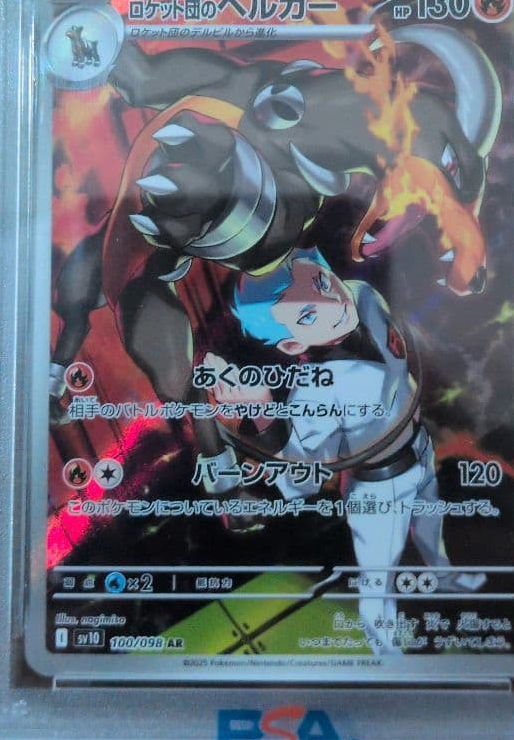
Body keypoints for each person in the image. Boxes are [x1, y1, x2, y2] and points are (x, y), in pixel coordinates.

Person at [203, 247, 485, 653]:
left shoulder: (363, 296)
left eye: (322, 281)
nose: (332, 303)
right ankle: (388, 657)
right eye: (307, 315)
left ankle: (444, 575)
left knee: (430, 524)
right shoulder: (312, 392)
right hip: (378, 486)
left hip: (419, 447)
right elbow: (300, 477)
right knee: (378, 579)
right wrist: (261, 412)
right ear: (291, 345)